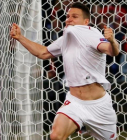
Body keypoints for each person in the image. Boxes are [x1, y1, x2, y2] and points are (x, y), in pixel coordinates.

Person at [10, 2, 119, 140]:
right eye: (67, 16)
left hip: (99, 106)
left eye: (74, 16)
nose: (68, 19)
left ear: (86, 22)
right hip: (75, 103)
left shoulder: (92, 34)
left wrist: (112, 41)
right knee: (56, 135)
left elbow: (111, 51)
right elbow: (43, 53)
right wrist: (20, 37)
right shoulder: (66, 37)